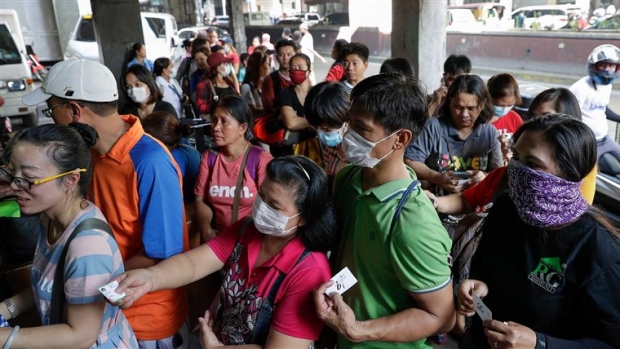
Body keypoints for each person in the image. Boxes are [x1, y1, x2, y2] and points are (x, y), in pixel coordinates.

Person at [21, 59, 189, 348]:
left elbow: (160, 252)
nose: (52, 120)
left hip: (143, 314)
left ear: (74, 111)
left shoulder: (150, 162)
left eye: (52, 111)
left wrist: (84, 274)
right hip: (97, 305)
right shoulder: (89, 153)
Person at [114, 156, 336, 348]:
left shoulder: (309, 271)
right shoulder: (247, 229)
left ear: (304, 218)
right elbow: (194, 264)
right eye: (262, 196)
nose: (262, 207)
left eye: (275, 206)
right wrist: (151, 278)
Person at [313, 73, 455, 349]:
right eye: (349, 122)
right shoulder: (349, 178)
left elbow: (442, 316)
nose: (348, 135)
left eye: (361, 128)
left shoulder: (413, 224)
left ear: (400, 139)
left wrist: (358, 330)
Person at [457, 114, 620, 349]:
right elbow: (486, 271)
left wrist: (540, 343)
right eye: (516, 157)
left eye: (532, 164)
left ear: (569, 174)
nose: (516, 169)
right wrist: (479, 287)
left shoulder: (599, 251)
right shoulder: (507, 208)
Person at [0, 123, 138, 348]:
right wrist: (6, 308)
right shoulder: (50, 217)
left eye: (28, 178)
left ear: (71, 180)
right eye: (11, 172)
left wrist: (4, 338)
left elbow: (81, 336)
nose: (14, 186)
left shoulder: (87, 246)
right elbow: (48, 285)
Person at [429, 87, 596, 216]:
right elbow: (467, 200)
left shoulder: (584, 234)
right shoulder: (508, 175)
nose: (535, 125)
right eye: (532, 117)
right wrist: (434, 202)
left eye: (547, 118)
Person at [405, 74, 502, 195]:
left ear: (482, 105)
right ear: (449, 102)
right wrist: (437, 177)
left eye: (471, 108)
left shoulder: (489, 133)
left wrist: (484, 177)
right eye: (458, 107)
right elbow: (410, 160)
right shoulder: (434, 127)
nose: (464, 114)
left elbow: (499, 173)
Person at [193, 96, 273, 240]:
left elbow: (271, 207)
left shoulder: (260, 159)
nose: (216, 127)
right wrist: (206, 229)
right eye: (214, 120)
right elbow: (201, 200)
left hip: (250, 240)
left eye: (224, 121)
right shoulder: (209, 157)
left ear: (242, 128)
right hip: (218, 239)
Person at [569, 44, 620, 164]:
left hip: (605, 138)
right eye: (603, 65)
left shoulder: (607, 86)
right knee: (589, 176)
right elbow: (571, 117)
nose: (607, 69)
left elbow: (602, 109)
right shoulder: (579, 88)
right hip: (589, 144)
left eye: (611, 66)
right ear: (594, 66)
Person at [142, 111, 200, 203]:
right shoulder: (179, 140)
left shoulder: (178, 157)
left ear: (158, 143)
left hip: (189, 205)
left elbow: (164, 192)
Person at [279, 53, 321, 164]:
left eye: (300, 67)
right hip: (292, 150)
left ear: (309, 70)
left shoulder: (317, 93)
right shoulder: (285, 93)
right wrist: (315, 120)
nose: (296, 70)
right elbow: (290, 123)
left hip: (316, 150)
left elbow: (326, 120)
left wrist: (299, 119)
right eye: (292, 68)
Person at [304, 81, 350, 184]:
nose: (320, 134)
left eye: (326, 129)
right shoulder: (331, 147)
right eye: (317, 128)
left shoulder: (359, 154)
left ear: (345, 121)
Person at [487, 73, 524, 164]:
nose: (504, 109)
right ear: (488, 98)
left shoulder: (515, 118)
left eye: (510, 105)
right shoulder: (478, 120)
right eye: (500, 105)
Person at [196, 52, 239, 118]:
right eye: (225, 64)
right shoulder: (205, 84)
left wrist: (233, 76)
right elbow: (200, 106)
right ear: (217, 67)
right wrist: (215, 107)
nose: (228, 66)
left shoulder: (228, 80)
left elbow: (237, 94)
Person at [241, 50, 270, 118]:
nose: (269, 67)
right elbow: (253, 110)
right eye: (267, 64)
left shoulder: (265, 85)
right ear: (260, 66)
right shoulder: (246, 87)